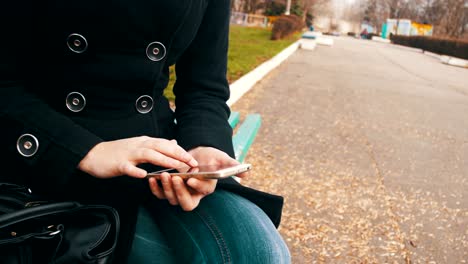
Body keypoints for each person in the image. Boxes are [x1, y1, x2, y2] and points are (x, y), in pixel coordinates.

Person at [0, 1, 290, 263]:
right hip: (48, 151)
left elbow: (204, 87)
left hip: (156, 160)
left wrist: (205, 146)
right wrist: (86, 150)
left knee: (261, 253)